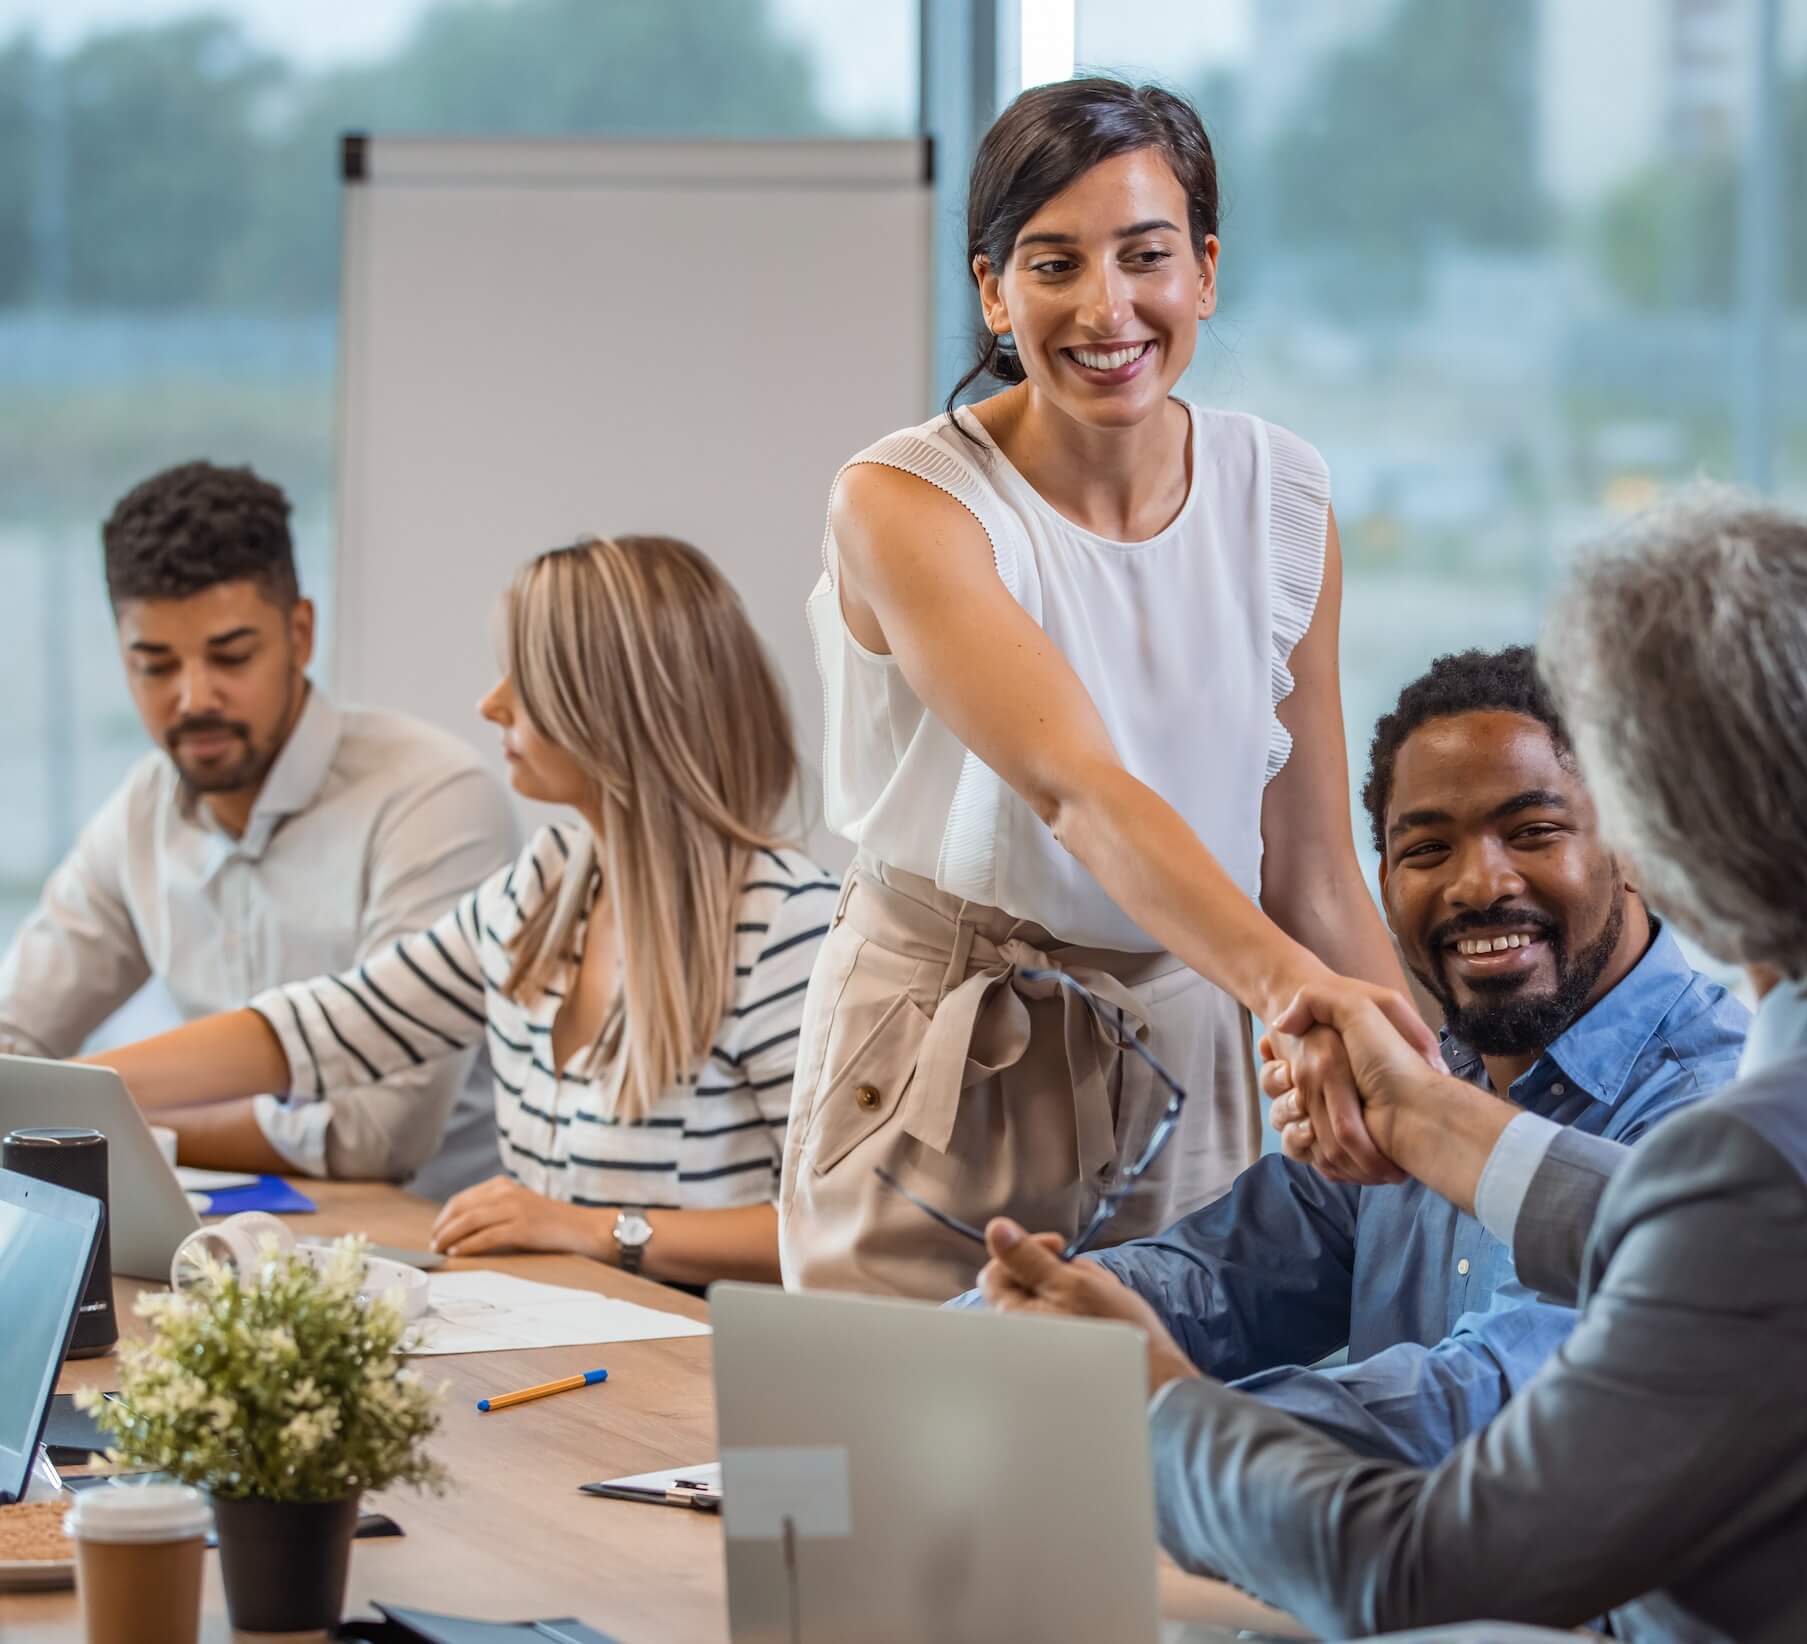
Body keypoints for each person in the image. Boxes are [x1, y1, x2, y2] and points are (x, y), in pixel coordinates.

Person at [982, 493, 1807, 1640]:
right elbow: (1686, 1224)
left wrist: (1143, 1406)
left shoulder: (1764, 1157)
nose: (1480, 883)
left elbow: (1421, 1570)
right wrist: (1424, 1117)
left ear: (1650, 843)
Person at [782, 77, 1428, 1301]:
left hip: (1194, 1034)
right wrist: (1293, 992)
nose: (1105, 307)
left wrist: (1434, 1104)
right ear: (992, 290)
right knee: (893, 1466)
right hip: (947, 1041)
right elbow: (1074, 789)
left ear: (1205, 271)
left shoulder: (1281, 496)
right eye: (1053, 264)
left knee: (1155, 1462)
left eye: (1143, 256)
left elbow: (1309, 874)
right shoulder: (903, 500)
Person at [968, 645, 1746, 1466]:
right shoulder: (1420, 1075)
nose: (1479, 885)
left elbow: (1486, 1408)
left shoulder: (1719, 1109)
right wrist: (1021, 1325)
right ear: (1383, 881)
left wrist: (1153, 1402)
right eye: (1426, 851)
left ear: (1633, 851)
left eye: (1533, 832)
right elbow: (1212, 1280)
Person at [90, 535, 836, 1285]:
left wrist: (598, 1232)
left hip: (691, 1365)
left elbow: (839, 1231)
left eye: (529, 679)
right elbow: (323, 1031)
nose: (491, 703)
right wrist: (78, 1085)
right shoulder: (540, 891)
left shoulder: (787, 927)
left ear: (619, 706)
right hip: (567, 1330)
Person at [0, 461, 514, 1193]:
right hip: (226, 1241)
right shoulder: (142, 813)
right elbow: (18, 1037)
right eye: (154, 666)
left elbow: (378, 1134)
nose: (193, 698)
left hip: (441, 1254)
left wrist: (112, 1123)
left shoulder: (432, 798)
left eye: (231, 657)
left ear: (300, 633)